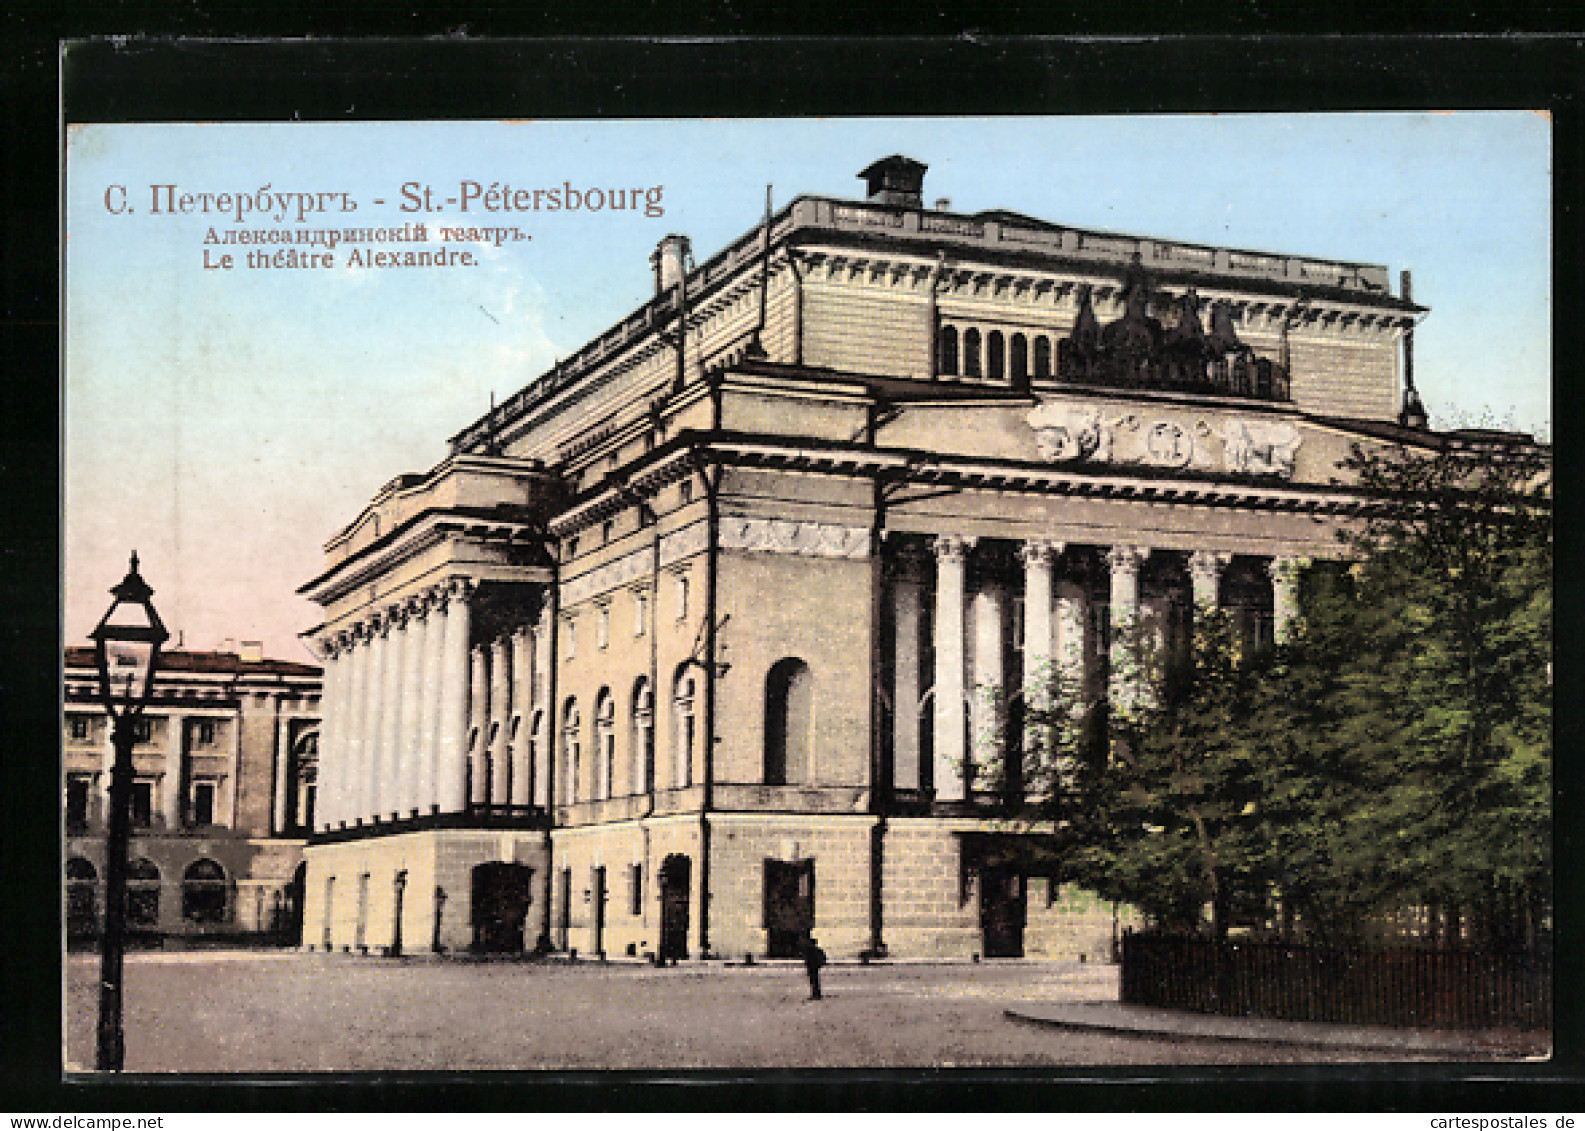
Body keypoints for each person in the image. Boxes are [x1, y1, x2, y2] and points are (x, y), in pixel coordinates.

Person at [802, 934, 827, 1001]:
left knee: (813, 982)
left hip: (812, 967)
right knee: (815, 981)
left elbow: (808, 959)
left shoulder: (810, 950)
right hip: (815, 967)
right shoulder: (817, 950)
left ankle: (815, 994)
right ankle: (816, 994)